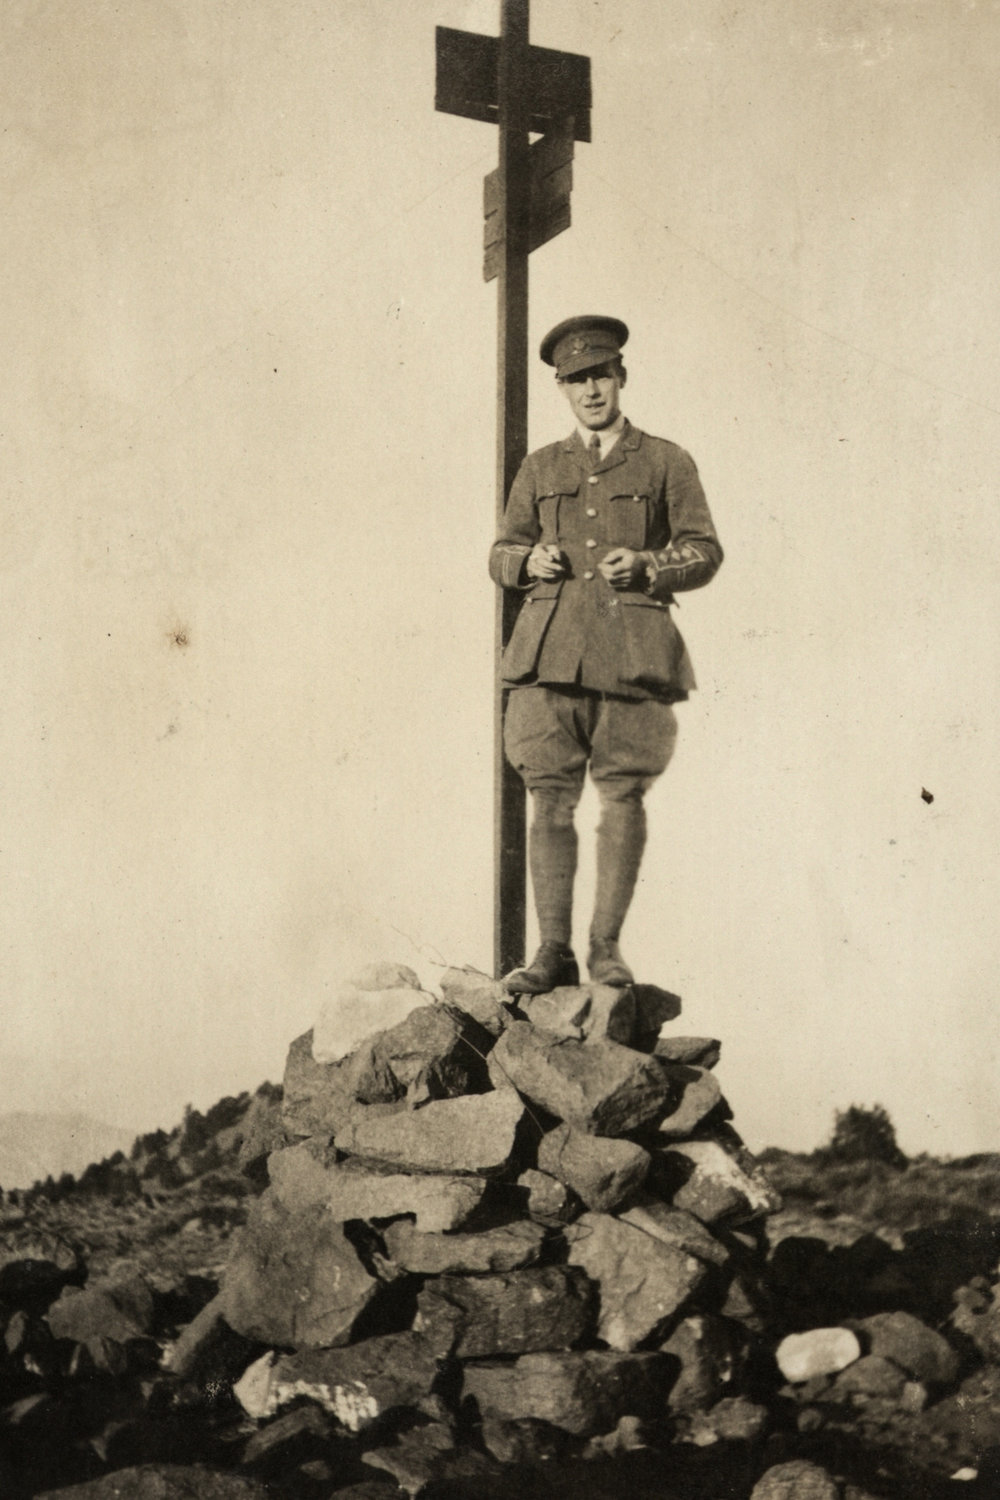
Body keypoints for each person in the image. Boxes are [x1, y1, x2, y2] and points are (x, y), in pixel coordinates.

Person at [490, 315, 722, 993]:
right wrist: (528, 558)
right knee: (550, 800)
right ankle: (552, 951)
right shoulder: (541, 467)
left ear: (621, 376)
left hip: (633, 660)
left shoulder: (666, 461)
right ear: (562, 389)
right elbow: (501, 550)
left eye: (600, 375)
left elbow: (703, 551)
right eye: (575, 380)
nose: (590, 390)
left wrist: (650, 564)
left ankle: (605, 948)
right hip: (549, 658)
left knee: (623, 798)